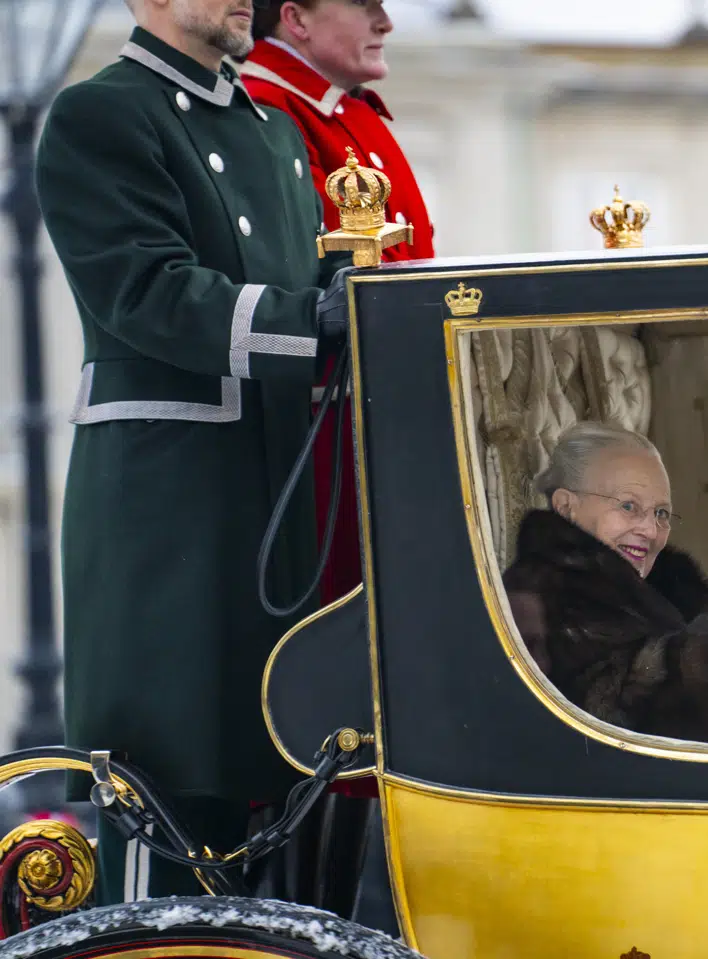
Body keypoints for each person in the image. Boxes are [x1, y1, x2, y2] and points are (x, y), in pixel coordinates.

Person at [35, 0, 352, 905]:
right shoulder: (103, 113)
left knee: (272, 794)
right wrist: (309, 317)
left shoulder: (275, 133)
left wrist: (354, 292)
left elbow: (297, 282)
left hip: (271, 500)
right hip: (169, 518)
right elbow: (146, 290)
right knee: (162, 799)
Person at [242, 0, 435, 605]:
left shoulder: (335, 109)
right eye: (365, 6)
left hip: (379, 407)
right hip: (331, 418)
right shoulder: (268, 108)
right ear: (296, 19)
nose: (386, 23)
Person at [502, 422, 708, 748]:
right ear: (566, 507)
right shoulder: (540, 596)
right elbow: (619, 723)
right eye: (629, 506)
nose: (650, 529)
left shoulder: (663, 586)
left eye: (661, 513)